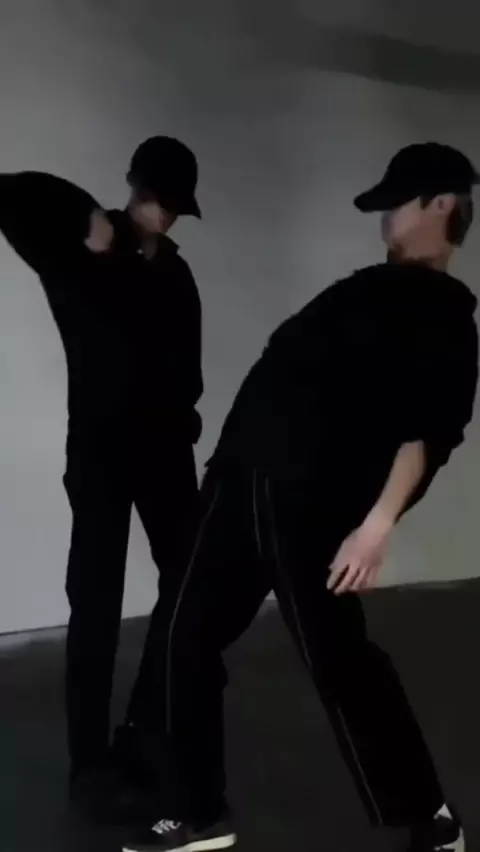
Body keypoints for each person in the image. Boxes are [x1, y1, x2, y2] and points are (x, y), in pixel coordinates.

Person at [124, 143, 478, 852]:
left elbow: (428, 434)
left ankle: (430, 818)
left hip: (309, 500)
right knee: (182, 633)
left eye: (396, 202)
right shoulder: (365, 289)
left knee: (338, 659)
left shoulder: (443, 312)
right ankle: (196, 811)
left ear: (442, 204)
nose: (384, 216)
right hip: (236, 480)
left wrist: (376, 526)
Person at [0, 137, 203, 816]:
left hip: (165, 456)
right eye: (156, 200)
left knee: (190, 591)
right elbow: (11, 191)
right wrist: (87, 214)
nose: (162, 215)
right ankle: (88, 765)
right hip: (100, 456)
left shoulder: (176, 274)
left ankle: (142, 728)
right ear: (134, 187)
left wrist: (182, 429)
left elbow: (189, 374)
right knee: (95, 605)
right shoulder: (78, 251)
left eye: (172, 207)